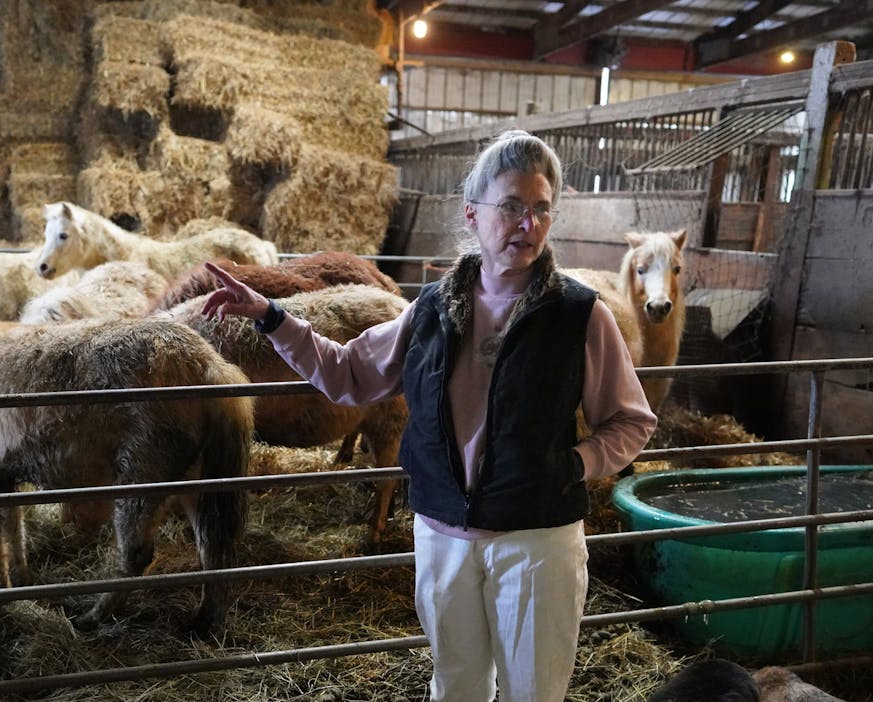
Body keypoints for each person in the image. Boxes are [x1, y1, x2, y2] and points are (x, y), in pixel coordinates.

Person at [200, 129, 657, 702]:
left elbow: (631, 421)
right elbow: (347, 374)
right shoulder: (433, 308)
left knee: (534, 693)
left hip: (537, 539)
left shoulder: (578, 314)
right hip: (442, 535)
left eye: (541, 209)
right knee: (456, 687)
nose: (528, 224)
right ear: (472, 212)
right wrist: (272, 318)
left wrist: (573, 464)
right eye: (512, 206)